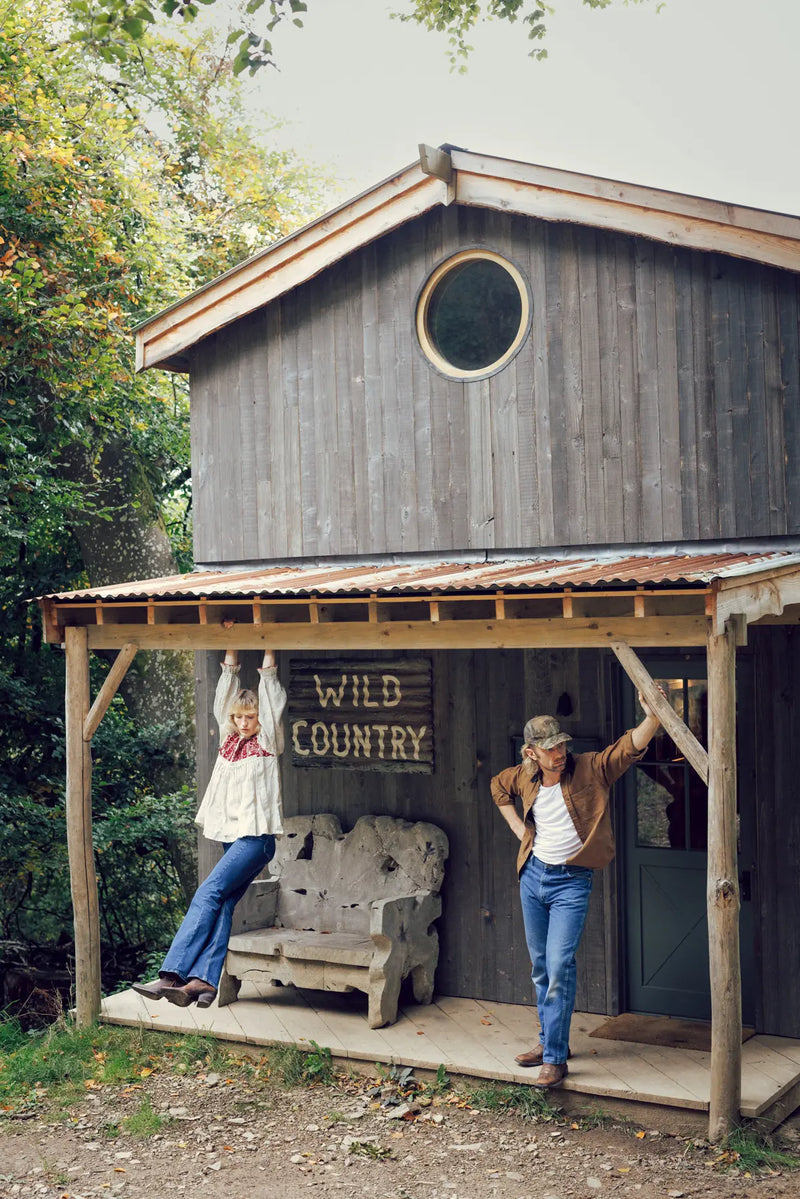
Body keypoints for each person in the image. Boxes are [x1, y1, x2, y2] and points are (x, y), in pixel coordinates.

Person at [490, 694, 663, 1088]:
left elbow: (628, 748)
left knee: (559, 966)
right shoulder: (523, 776)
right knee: (540, 967)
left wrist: (652, 715)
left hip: (571, 883)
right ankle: (551, 1042)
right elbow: (497, 787)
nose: (559, 754)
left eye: (562, 745)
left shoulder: (589, 768)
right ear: (531, 753)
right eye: (550, 749)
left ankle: (554, 1059)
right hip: (532, 877)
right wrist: (519, 829)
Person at [133, 644, 286, 1008]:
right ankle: (203, 982)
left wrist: (268, 647)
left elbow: (271, 697)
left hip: (256, 840)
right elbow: (223, 695)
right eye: (238, 717)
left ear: (260, 718)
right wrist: (230, 649)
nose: (243, 722)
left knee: (208, 893)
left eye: (250, 717)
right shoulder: (229, 740)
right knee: (224, 904)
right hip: (233, 840)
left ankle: (171, 974)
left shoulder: (267, 742)